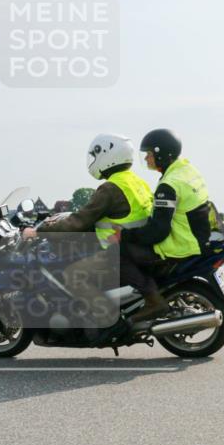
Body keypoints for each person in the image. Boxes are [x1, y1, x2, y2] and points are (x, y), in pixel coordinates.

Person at [23, 133, 154, 340]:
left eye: (95, 155)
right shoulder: (137, 182)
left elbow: (79, 221)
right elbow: (112, 216)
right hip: (137, 248)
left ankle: (109, 321)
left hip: (119, 252)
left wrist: (38, 232)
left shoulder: (110, 188)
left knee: (73, 274)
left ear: (107, 154)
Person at [119, 128, 212, 323]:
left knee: (118, 252)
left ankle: (153, 301)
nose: (146, 159)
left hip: (180, 244)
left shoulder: (168, 185)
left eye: (149, 154)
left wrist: (126, 235)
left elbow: (158, 231)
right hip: (198, 237)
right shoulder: (187, 171)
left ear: (161, 154)